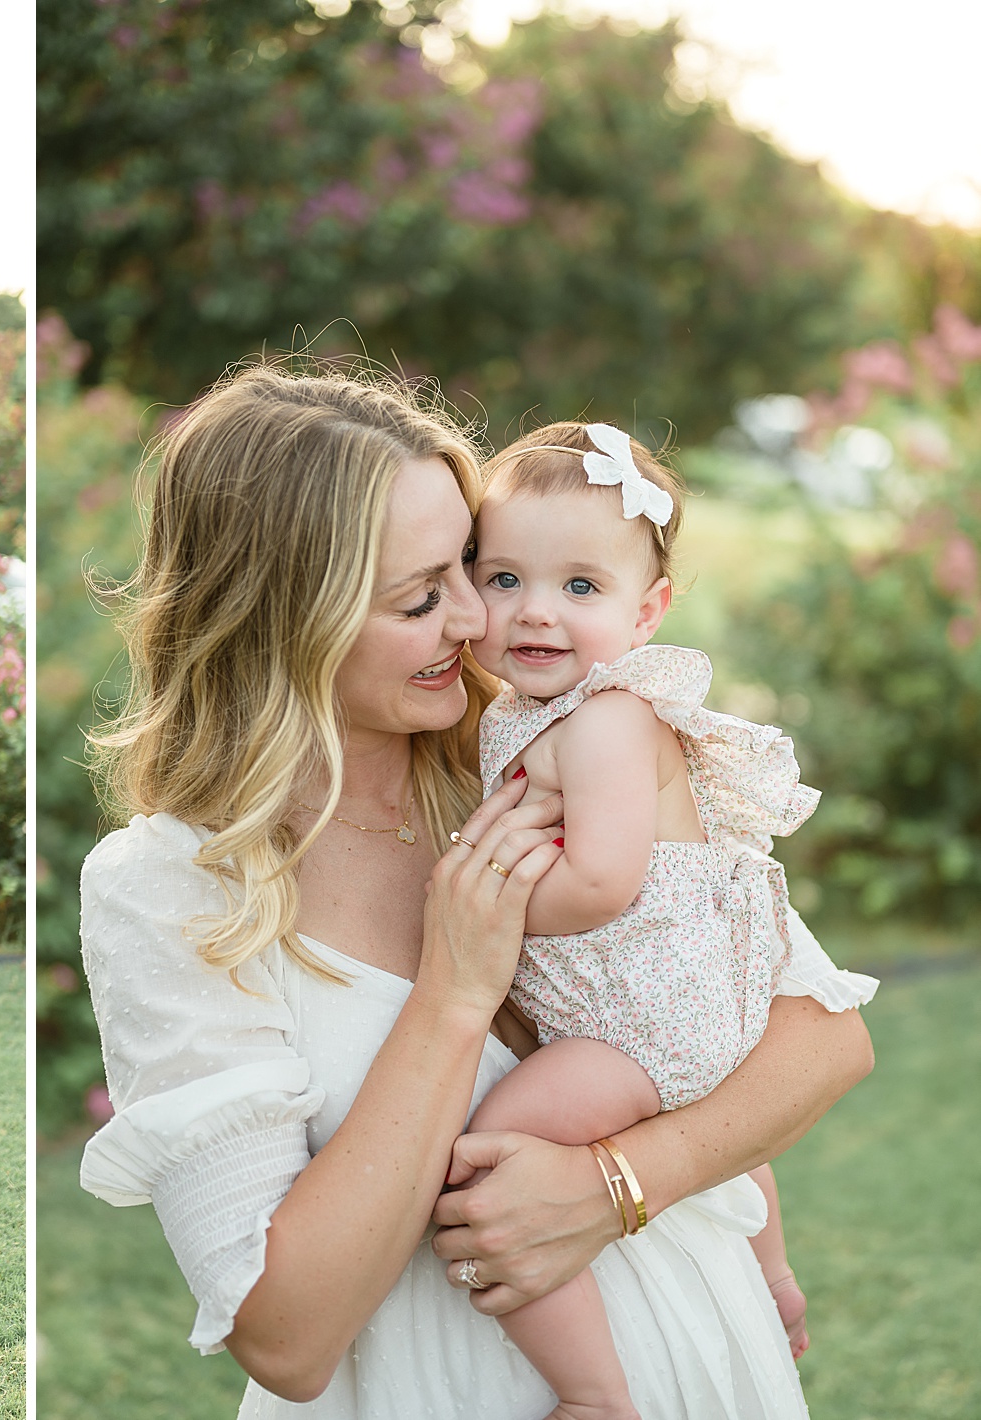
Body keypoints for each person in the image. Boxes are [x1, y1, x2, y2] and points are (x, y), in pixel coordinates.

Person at [77, 366, 875, 1419]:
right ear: (281, 621)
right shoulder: (174, 884)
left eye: (468, 564)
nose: (474, 618)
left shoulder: (532, 745)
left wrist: (615, 1184)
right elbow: (286, 1335)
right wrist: (453, 996)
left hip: (695, 1354)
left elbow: (824, 1037)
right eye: (421, 594)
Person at [455, 420, 877, 1418]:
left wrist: (477, 909)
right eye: (504, 578)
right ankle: (768, 1270)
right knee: (709, 1113)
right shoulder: (532, 710)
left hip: (641, 1021)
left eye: (579, 588)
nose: (535, 613)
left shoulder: (604, 718)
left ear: (647, 614)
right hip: (681, 1011)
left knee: (490, 1157)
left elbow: (600, 882)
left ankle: (595, 1394)